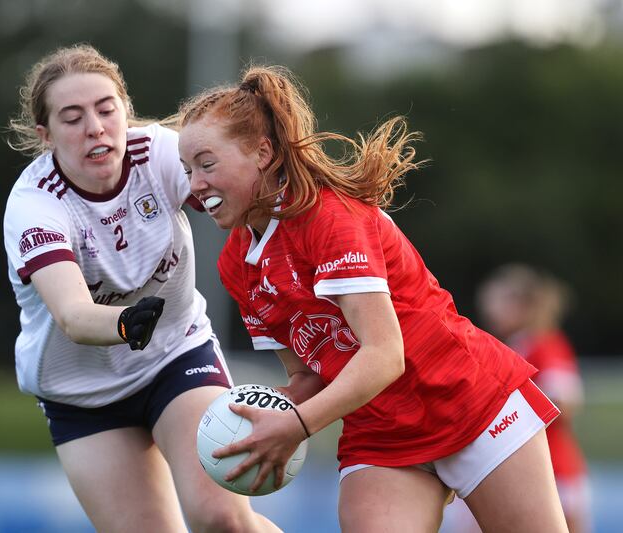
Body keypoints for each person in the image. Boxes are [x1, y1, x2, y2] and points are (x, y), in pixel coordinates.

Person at [176, 65, 569, 532]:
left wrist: (297, 425)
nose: (194, 184)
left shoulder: (329, 216)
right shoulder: (235, 265)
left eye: (206, 164)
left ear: (263, 153)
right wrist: (265, 417)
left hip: (470, 403)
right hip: (380, 434)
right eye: (187, 170)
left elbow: (384, 355)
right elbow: (308, 375)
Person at [3, 44, 281, 533]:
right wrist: (127, 321)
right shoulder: (34, 205)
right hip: (83, 397)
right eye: (72, 118)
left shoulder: (156, 153)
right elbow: (72, 315)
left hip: (175, 358)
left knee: (223, 519)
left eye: (106, 109)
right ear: (45, 136)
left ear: (124, 110)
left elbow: (246, 198)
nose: (95, 127)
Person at [477, 264, 591, 532]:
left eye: (497, 302)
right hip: (528, 472)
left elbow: (565, 401)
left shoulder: (545, 343)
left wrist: (507, 418)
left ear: (520, 305)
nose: (489, 310)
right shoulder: (513, 346)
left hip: (556, 470)